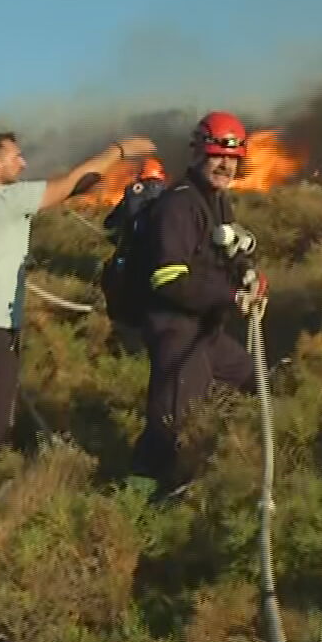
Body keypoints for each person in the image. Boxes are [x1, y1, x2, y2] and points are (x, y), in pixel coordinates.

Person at [0, 130, 156, 478]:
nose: (23, 163)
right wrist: (119, 150)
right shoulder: (6, 200)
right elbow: (71, 182)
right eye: (16, 157)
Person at [124, 111, 267, 497]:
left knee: (252, 379)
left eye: (232, 158)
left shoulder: (216, 202)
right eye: (217, 155)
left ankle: (223, 463)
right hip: (176, 329)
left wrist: (247, 275)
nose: (225, 165)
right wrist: (230, 295)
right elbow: (167, 278)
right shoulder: (178, 206)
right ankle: (135, 503)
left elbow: (226, 249)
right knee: (172, 421)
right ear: (198, 154)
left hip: (205, 329)